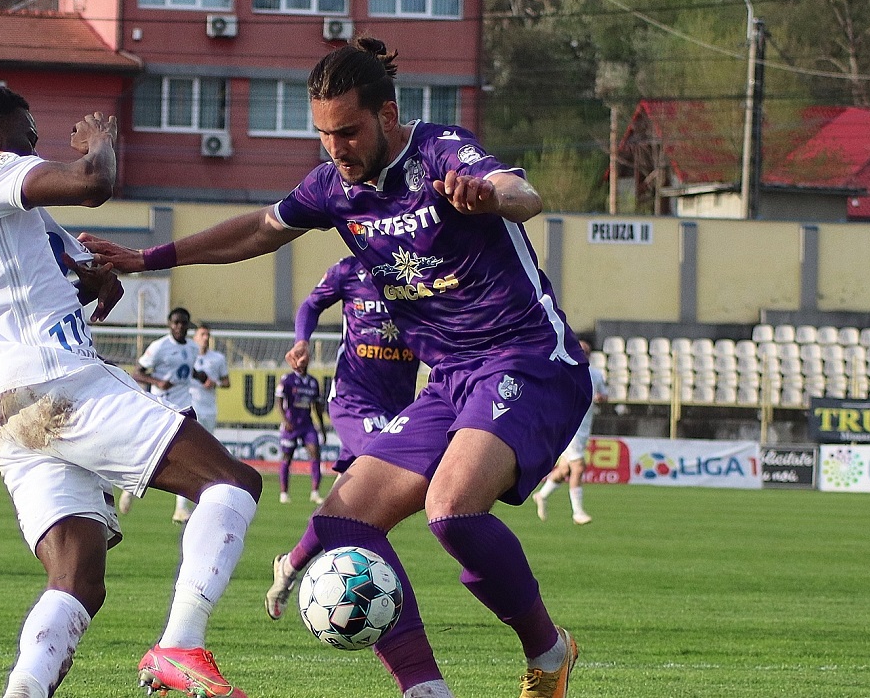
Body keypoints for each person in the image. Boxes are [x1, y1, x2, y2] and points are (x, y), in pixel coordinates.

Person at [77, 38, 591, 698]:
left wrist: (489, 195)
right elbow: (259, 229)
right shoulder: (332, 188)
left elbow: (520, 192)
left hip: (526, 355)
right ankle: (425, 690)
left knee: (451, 509)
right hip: (449, 380)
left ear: (388, 113)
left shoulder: (436, 151)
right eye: (323, 135)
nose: (335, 148)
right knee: (342, 524)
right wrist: (147, 259)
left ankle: (548, 652)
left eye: (346, 132)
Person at [0, 84, 261, 698]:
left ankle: (26, 688)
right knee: (232, 482)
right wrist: (100, 142)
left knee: (78, 582)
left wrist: (91, 275)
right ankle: (181, 646)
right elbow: (90, 183)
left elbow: (41, 266)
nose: (35, 150)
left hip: (9, 407)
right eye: (27, 136)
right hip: (56, 381)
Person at [266, 255, 420, 620]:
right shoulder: (349, 269)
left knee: (347, 505)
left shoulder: (422, 269)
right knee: (388, 484)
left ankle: (289, 567)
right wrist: (301, 341)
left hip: (401, 406)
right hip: (355, 400)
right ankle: (377, 599)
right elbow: (311, 303)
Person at [118, 307, 200, 516]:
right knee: (149, 451)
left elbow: (189, 370)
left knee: (188, 455)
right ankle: (129, 487)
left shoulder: (193, 347)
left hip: (184, 406)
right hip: (161, 406)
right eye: (176, 322)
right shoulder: (159, 346)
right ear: (169, 324)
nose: (180, 326)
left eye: (183, 323)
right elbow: (138, 372)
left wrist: (203, 376)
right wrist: (157, 382)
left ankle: (181, 508)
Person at [533, 340, 609, 525]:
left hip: (584, 427)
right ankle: (578, 513)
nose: (584, 353)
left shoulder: (596, 375)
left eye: (587, 351)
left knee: (565, 469)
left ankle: (541, 495)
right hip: (568, 426)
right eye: (581, 350)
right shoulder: (565, 372)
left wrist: (601, 398)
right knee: (578, 467)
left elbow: (605, 396)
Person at [177, 323, 232, 523]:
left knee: (205, 457)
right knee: (189, 456)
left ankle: (196, 505)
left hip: (209, 411)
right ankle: (181, 507)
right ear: (195, 337)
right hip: (190, 408)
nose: (206, 337)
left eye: (208, 334)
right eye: (202, 334)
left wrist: (215, 382)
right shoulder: (187, 354)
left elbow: (227, 382)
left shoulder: (217, 358)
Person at [275, 351, 329, 505]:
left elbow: (317, 407)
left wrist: (322, 428)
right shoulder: (287, 380)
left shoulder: (313, 382)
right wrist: (285, 420)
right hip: (291, 425)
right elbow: (279, 402)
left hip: (307, 425)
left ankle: (315, 492)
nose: (302, 362)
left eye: (305, 359)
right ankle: (284, 493)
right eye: (299, 359)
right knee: (287, 457)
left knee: (315, 453)